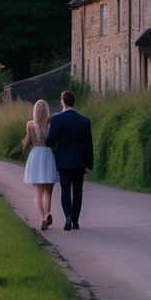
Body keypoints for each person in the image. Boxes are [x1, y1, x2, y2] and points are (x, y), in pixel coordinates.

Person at [45, 90, 93, 231]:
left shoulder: (57, 119)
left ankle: (67, 218)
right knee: (78, 191)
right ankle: (76, 220)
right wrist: (89, 164)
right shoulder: (84, 121)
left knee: (65, 191)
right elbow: (88, 144)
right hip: (79, 162)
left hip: (63, 162)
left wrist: (45, 141)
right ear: (73, 102)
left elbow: (51, 141)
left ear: (62, 102)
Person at [21, 99, 57, 230]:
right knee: (48, 191)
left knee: (38, 192)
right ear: (47, 110)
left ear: (35, 111)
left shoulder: (30, 125)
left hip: (36, 155)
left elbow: (25, 144)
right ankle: (48, 214)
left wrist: (24, 142)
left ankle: (43, 217)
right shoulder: (51, 125)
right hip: (48, 155)